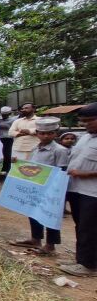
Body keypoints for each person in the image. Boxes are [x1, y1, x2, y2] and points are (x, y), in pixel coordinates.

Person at [12, 118, 69, 256]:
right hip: (36, 186)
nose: (45, 136)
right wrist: (19, 163)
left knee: (50, 215)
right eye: (42, 133)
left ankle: (50, 245)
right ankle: (35, 239)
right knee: (33, 212)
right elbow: (32, 166)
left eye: (49, 133)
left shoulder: (59, 150)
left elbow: (62, 170)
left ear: (55, 133)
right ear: (37, 133)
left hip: (52, 188)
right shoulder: (35, 148)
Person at [59, 102, 97, 277]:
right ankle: (81, 260)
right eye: (83, 121)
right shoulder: (86, 137)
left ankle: (89, 265)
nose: (86, 124)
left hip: (92, 192)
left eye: (90, 120)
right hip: (77, 189)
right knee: (81, 226)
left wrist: (85, 174)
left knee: (89, 228)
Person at [0, 106, 16, 175]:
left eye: (5, 114)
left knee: (7, 154)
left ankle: (6, 170)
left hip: (8, 139)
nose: (3, 115)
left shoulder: (13, 120)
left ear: (9, 114)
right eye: (2, 114)